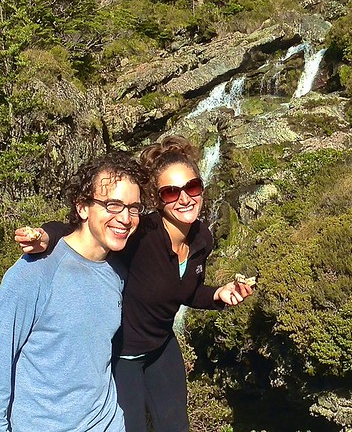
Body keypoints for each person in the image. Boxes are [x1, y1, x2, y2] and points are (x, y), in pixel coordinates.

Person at [15, 135, 253, 431]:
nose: (184, 198)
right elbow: (86, 229)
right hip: (123, 355)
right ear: (157, 199)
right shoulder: (141, 234)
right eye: (171, 192)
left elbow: (185, 290)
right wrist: (47, 236)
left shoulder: (202, 239)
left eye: (192, 187)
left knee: (176, 426)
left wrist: (218, 294)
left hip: (162, 346)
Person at [0, 152, 149, 431]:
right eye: (113, 205)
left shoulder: (118, 272)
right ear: (82, 208)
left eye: (133, 208)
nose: (125, 218)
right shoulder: (35, 272)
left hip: (106, 423)